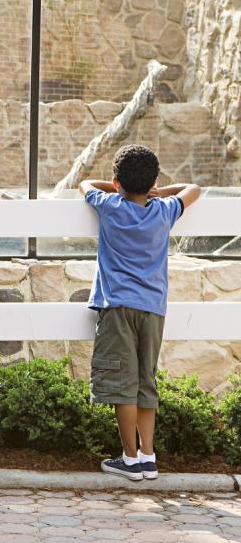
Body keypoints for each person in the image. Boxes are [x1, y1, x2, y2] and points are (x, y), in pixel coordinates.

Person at [80, 144, 200, 481]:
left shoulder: (110, 206)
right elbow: (194, 189)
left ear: (117, 182)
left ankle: (129, 459)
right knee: (146, 380)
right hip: (153, 310)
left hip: (117, 308)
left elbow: (86, 184)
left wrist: (116, 186)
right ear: (152, 182)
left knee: (123, 384)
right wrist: (157, 191)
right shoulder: (163, 211)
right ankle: (148, 455)